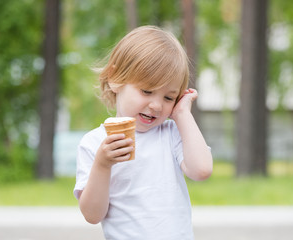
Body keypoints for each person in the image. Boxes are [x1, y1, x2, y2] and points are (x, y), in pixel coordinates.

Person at [73, 25, 213, 240]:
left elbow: (201, 170)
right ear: (115, 78)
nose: (157, 106)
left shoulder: (170, 133)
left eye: (168, 97)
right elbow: (92, 215)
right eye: (146, 91)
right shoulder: (95, 143)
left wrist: (183, 113)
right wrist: (102, 164)